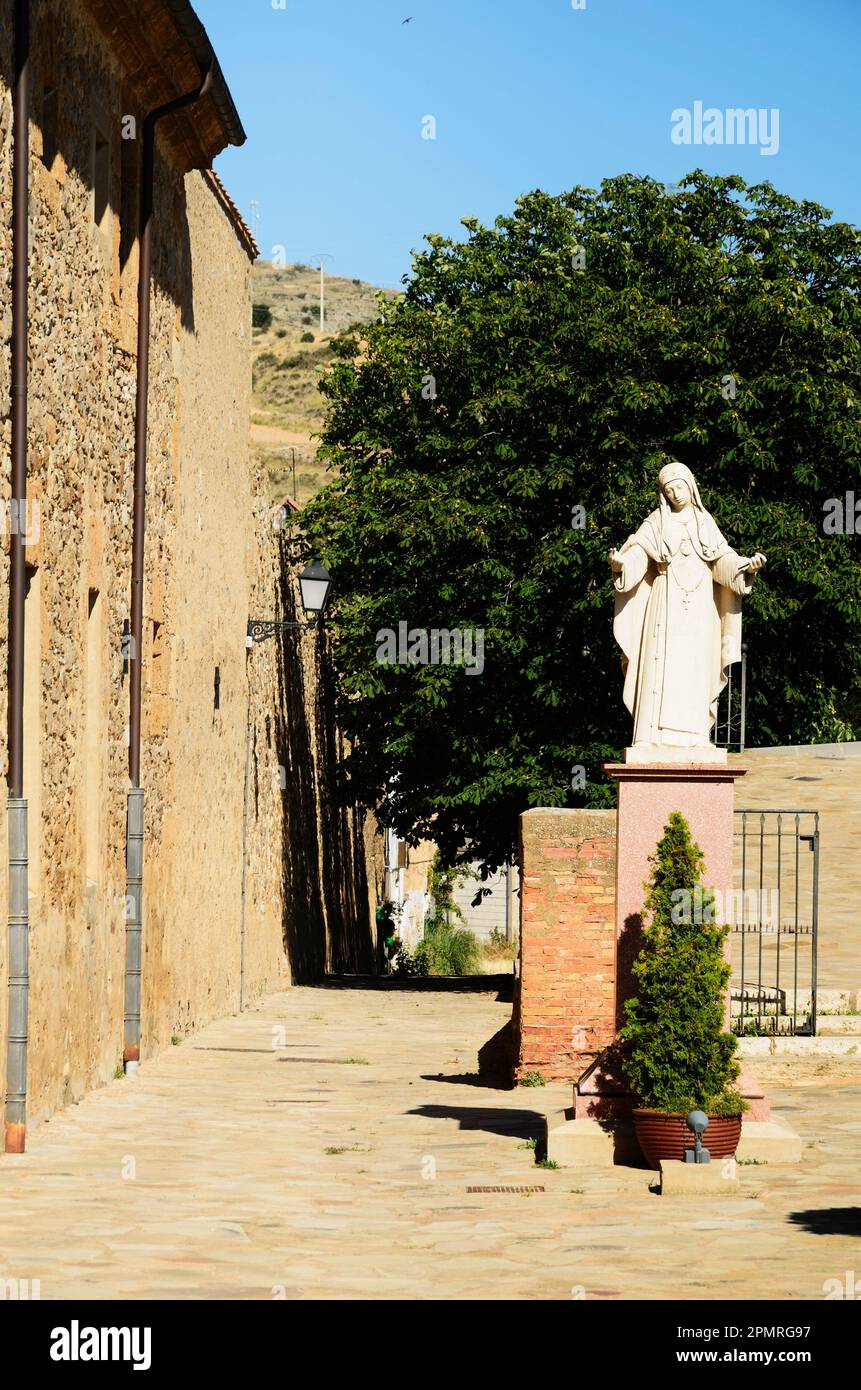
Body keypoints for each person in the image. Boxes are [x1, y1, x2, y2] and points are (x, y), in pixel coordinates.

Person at [608, 462, 765, 750]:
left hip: (698, 610)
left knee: (695, 667)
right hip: (664, 605)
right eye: (668, 491)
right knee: (659, 668)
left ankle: (695, 737)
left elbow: (721, 563)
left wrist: (745, 567)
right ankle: (650, 736)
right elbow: (639, 555)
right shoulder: (657, 522)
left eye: (679, 487)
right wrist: (623, 564)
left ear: (690, 486)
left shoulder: (705, 523)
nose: (675, 494)